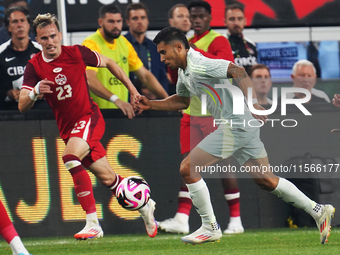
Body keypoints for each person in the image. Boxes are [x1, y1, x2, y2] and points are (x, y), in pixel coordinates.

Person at [135, 26, 335, 245]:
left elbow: (237, 71)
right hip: (242, 126)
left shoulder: (200, 63)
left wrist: (254, 102)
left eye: (164, 52)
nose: (162, 58)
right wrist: (150, 104)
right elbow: (182, 101)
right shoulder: (185, 72)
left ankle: (210, 226)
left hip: (236, 126)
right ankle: (318, 211)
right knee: (267, 181)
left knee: (188, 168)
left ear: (179, 47)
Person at [18, 13, 157, 240]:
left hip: (88, 117)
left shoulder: (76, 53)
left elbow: (110, 62)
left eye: (53, 36)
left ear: (60, 35)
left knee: (70, 157)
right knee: (108, 178)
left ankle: (93, 223)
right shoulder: (34, 66)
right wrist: (34, 92)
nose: (50, 42)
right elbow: (22, 105)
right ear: (38, 40)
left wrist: (133, 91)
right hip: (69, 129)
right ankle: (145, 205)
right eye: (44, 38)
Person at [157, 0, 244, 236]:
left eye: (199, 16)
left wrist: (191, 52)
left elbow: (228, 68)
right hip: (191, 112)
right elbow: (175, 73)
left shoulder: (217, 40)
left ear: (209, 17)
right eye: (191, 16)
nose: (195, 19)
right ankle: (182, 218)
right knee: (187, 164)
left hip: (214, 113)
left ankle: (235, 219)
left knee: (224, 164)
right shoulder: (182, 45)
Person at [82, 4, 168, 117]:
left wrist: (168, 101)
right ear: (100, 22)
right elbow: (89, 78)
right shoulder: (91, 43)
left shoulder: (123, 43)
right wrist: (116, 100)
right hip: (96, 114)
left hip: (120, 113)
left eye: (118, 21)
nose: (116, 26)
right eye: (111, 21)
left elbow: (145, 76)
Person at [0, 6, 44, 110]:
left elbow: (55, 79)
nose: (19, 25)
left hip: (40, 110)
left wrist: (44, 93)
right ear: (8, 27)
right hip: (9, 111)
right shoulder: (1, 53)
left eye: (22, 21)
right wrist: (7, 94)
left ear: (28, 25)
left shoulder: (42, 51)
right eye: (15, 21)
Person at [124, 3, 169, 97]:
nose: (140, 22)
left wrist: (164, 101)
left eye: (143, 18)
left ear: (147, 20)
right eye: (135, 18)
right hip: (128, 102)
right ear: (127, 22)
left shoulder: (155, 47)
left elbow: (162, 76)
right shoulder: (120, 45)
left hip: (153, 102)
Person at [225, 3, 257, 74]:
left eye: (240, 19)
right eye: (232, 19)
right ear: (225, 21)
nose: (236, 23)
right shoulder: (220, 43)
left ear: (245, 21)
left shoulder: (251, 44)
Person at [167, 3, 191, 95]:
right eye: (180, 16)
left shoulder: (193, 44)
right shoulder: (163, 45)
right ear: (171, 21)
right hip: (171, 96)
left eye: (188, 17)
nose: (185, 19)